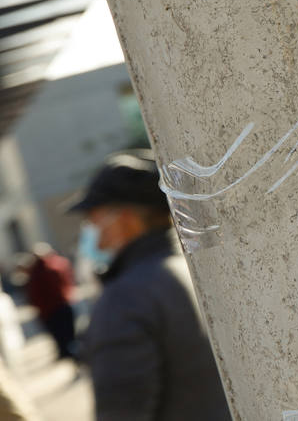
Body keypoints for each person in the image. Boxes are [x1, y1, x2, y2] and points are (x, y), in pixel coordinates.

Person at [67, 149, 231, 421]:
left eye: (93, 219)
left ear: (126, 219)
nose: (91, 232)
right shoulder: (188, 270)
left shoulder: (125, 298)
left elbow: (120, 413)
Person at [21, 244, 77, 361]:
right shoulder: (56, 265)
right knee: (68, 335)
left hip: (52, 309)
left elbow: (33, 294)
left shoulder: (38, 271)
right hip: (60, 305)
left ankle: (70, 354)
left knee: (63, 335)